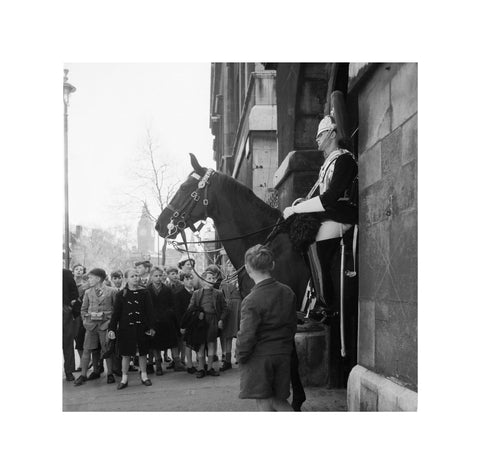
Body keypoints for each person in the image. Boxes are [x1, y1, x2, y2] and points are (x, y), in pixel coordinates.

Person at [283, 114, 357, 314]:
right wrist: (303, 204)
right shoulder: (328, 163)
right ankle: (315, 292)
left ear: (332, 134)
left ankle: (326, 302)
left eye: (320, 135)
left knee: (315, 240)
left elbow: (330, 198)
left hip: (341, 216)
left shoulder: (344, 159)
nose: (316, 139)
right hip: (330, 215)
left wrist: (297, 209)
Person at [237, 245, 297, 411]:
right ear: (272, 265)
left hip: (259, 358)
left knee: (264, 402)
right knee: (278, 399)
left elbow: (246, 335)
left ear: (247, 268)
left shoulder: (251, 300)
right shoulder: (288, 292)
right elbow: (292, 325)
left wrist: (240, 355)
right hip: (283, 353)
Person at [107, 268, 156, 389]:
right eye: (133, 276)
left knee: (143, 352)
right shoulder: (121, 294)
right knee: (126, 354)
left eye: (137, 275)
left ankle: (144, 376)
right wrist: (112, 329)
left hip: (141, 327)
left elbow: (150, 312)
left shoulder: (145, 293)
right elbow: (116, 313)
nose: (136, 278)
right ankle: (124, 378)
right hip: (126, 328)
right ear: (127, 278)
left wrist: (152, 327)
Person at [74, 268, 118, 386]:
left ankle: (110, 374)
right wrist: (86, 321)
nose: (89, 280)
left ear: (98, 279)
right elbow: (83, 309)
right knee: (87, 349)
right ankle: (83, 375)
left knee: (106, 349)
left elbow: (117, 309)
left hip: (105, 325)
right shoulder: (88, 292)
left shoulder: (112, 291)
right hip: (91, 326)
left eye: (91, 277)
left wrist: (111, 323)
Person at [186, 269, 228, 378]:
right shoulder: (197, 293)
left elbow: (225, 308)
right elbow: (190, 308)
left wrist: (221, 319)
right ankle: (201, 368)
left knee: (211, 343)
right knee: (200, 344)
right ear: (203, 280)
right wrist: (197, 314)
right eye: (209, 278)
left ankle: (210, 368)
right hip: (200, 322)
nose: (211, 280)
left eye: (213, 278)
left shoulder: (218, 293)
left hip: (213, 320)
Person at [146, 266, 183, 375]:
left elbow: (173, 305)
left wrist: (170, 314)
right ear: (151, 277)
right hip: (153, 321)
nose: (158, 278)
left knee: (172, 342)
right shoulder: (147, 291)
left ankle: (177, 362)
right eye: (155, 276)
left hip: (167, 321)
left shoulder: (167, 289)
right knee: (155, 344)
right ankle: (158, 365)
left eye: (160, 275)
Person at [219, 261, 241, 371]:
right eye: (229, 265)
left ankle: (239, 356)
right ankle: (227, 360)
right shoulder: (223, 281)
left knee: (239, 334)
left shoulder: (241, 279)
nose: (231, 267)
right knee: (227, 335)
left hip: (239, 307)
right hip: (227, 309)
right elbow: (220, 295)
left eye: (233, 265)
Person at [174, 272, 195, 371]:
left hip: (195, 322)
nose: (190, 281)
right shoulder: (179, 294)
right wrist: (182, 325)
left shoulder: (197, 292)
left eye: (191, 278)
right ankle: (185, 362)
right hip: (185, 323)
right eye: (187, 279)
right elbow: (178, 312)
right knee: (185, 344)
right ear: (182, 281)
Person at [63, 269, 79, 381]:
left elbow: (74, 292)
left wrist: (70, 307)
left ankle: (69, 371)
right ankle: (69, 372)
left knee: (67, 341)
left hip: (64, 310)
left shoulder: (66, 273)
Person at [72, 264, 89, 371]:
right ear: (73, 271)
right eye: (76, 269)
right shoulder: (70, 283)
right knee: (75, 337)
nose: (78, 271)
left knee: (81, 337)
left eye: (81, 270)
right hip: (71, 313)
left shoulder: (85, 285)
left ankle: (84, 362)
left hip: (81, 313)